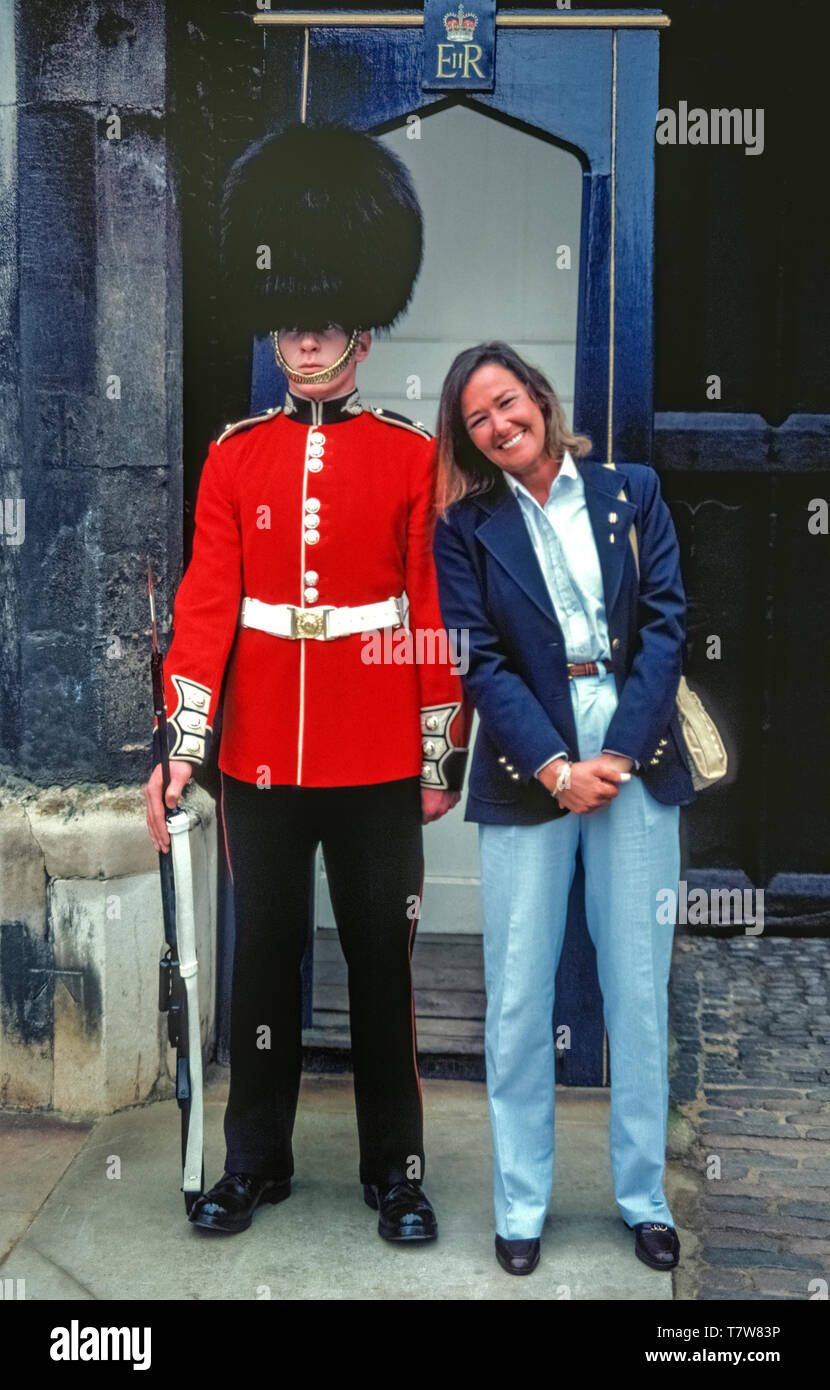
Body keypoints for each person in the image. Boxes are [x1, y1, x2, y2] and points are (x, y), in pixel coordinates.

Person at [144, 125, 469, 1242]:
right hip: (260, 764)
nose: (300, 339)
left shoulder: (407, 456)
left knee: (383, 969)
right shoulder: (236, 456)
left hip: (377, 759)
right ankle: (254, 1161)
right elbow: (206, 607)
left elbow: (427, 613)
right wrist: (186, 744)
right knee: (260, 971)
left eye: (321, 322)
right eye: (287, 321)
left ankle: (398, 1168)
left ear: (362, 332)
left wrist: (436, 749)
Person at [431, 341, 695, 1276]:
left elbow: (666, 624)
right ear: (467, 440)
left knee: (635, 987)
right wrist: (554, 767)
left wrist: (614, 752)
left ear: (538, 399)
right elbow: (478, 661)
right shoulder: (464, 527)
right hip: (525, 762)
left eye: (508, 403)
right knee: (518, 997)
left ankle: (643, 1197)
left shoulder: (636, 493)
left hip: (635, 745)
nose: (501, 425)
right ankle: (521, 1205)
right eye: (478, 420)